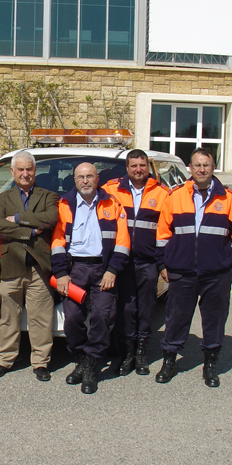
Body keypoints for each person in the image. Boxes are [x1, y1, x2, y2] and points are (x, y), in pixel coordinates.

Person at [155, 148, 232, 388]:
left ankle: (210, 365)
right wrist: (163, 264)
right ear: (190, 168)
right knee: (176, 318)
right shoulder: (175, 196)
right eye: (197, 165)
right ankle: (169, 362)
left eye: (206, 165)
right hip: (182, 271)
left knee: (214, 320)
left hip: (216, 274)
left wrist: (231, 264)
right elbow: (162, 234)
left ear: (213, 167)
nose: (201, 170)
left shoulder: (229, 199)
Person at [51, 163, 130, 394]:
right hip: (74, 269)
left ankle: (90, 366)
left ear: (97, 179)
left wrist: (113, 270)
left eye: (89, 176)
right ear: (74, 180)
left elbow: (123, 242)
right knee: (72, 318)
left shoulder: (112, 203)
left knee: (101, 316)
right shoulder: (64, 205)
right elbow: (57, 242)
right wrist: (61, 273)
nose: (85, 181)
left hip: (103, 269)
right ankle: (81, 358)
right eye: (80, 177)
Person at [0, 151, 59, 381]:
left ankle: (41, 362)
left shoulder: (48, 195)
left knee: (41, 318)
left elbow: (49, 219)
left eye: (29, 169)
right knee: (8, 316)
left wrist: (17, 218)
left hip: (39, 266)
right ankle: (4, 359)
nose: (25, 173)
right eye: (20, 169)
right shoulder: (2, 198)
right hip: (11, 265)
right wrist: (30, 230)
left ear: (35, 170)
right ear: (12, 172)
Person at [102, 150, 170, 376]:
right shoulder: (111, 190)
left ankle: (141, 353)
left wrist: (162, 263)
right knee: (126, 309)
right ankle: (128, 353)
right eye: (134, 166)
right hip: (120, 262)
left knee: (146, 309)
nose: (138, 169)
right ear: (127, 168)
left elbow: (167, 230)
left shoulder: (162, 193)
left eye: (142, 165)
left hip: (147, 261)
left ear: (148, 167)